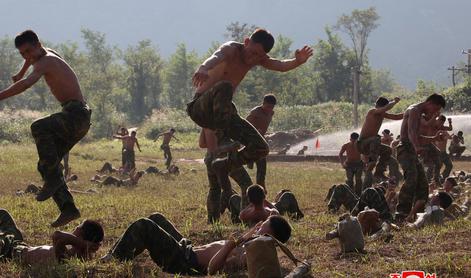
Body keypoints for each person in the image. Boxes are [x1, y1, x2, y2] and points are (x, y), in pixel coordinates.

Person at [187, 28, 313, 204]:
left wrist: (297, 61)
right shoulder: (232, 49)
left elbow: (280, 65)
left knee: (261, 147)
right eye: (252, 52)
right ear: (246, 42)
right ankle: (222, 142)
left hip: (222, 112)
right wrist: (203, 68)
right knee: (225, 87)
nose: (253, 58)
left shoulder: (258, 59)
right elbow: (216, 56)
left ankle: (224, 165)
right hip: (200, 107)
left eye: (258, 56)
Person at [0, 30, 92, 227]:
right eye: (22, 54)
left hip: (76, 115)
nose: (27, 57)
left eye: (28, 51)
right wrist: (21, 71)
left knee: (39, 126)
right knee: (45, 166)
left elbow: (25, 85)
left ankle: (53, 181)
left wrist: (2, 94)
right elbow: (30, 62)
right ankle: (68, 209)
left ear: (38, 44)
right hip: (76, 117)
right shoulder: (43, 53)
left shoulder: (46, 61)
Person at [102, 212, 292, 276]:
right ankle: (117, 253)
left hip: (182, 261)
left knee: (145, 225)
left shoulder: (249, 255)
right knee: (156, 218)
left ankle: (114, 258)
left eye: (261, 228)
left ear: (269, 237)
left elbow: (211, 269)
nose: (257, 228)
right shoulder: (250, 242)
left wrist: (231, 245)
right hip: (187, 249)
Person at [395, 94, 446, 222]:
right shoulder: (414, 110)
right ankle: (401, 214)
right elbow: (411, 133)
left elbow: (418, 136)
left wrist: (433, 139)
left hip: (411, 150)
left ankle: (417, 215)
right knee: (411, 178)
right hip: (405, 149)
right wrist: (417, 146)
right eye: (435, 109)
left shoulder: (420, 114)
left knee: (423, 185)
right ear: (430, 103)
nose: (435, 113)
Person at [0, 208, 103, 264]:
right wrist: (84, 244)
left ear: (80, 234)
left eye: (77, 227)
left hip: (9, 252)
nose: (74, 229)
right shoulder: (73, 251)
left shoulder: (68, 257)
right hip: (19, 244)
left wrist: (83, 244)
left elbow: (57, 235)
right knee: (3, 214)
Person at [199, 130, 254, 223]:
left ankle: (212, 220)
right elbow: (215, 148)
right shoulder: (219, 120)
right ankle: (245, 218)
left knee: (214, 189)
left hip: (210, 158)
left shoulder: (206, 121)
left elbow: (202, 144)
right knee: (246, 184)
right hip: (224, 158)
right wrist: (230, 147)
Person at [357, 97, 403, 184]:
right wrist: (394, 102)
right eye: (384, 108)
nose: (385, 111)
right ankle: (372, 162)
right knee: (376, 138)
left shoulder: (382, 114)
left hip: (372, 144)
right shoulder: (372, 111)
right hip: (362, 144)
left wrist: (409, 113)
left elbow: (396, 116)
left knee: (387, 150)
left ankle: (379, 172)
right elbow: (385, 108)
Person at [246, 94, 277, 190]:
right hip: (250, 141)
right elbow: (245, 125)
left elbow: (264, 125)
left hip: (260, 141)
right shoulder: (255, 112)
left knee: (262, 167)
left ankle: (260, 187)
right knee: (260, 163)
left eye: (271, 107)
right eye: (267, 106)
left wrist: (264, 135)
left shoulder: (271, 113)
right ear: (263, 104)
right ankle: (249, 160)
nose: (269, 109)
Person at [229, 185, 304, 225]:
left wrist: (251, 203)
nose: (279, 193)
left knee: (234, 197)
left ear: (249, 199)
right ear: (264, 196)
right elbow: (275, 211)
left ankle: (235, 221)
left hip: (253, 206)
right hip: (269, 207)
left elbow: (242, 213)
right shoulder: (271, 212)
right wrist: (265, 201)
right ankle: (296, 217)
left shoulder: (244, 214)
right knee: (288, 195)